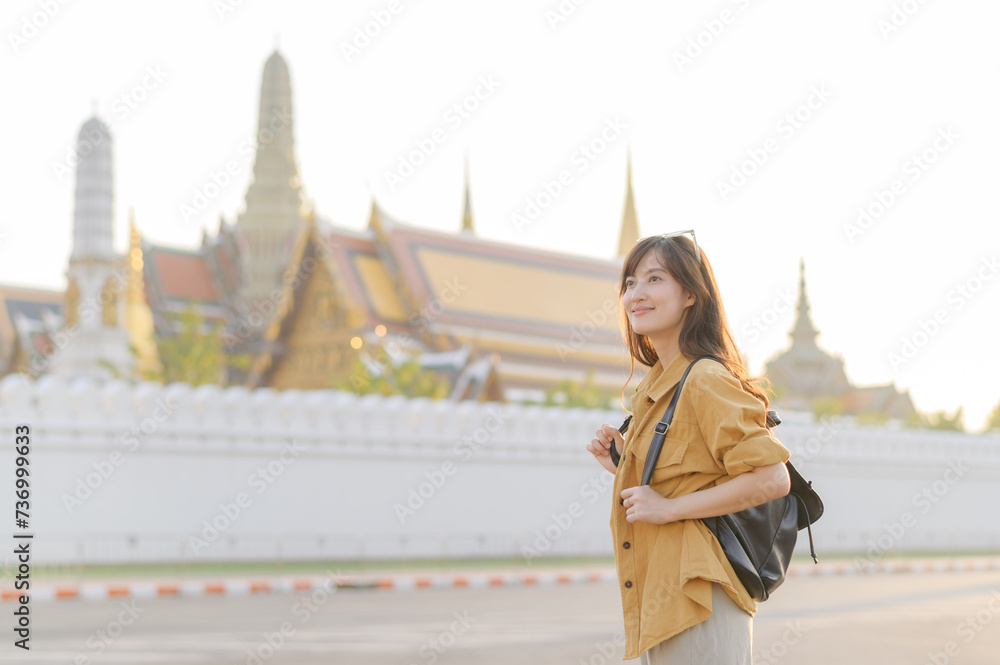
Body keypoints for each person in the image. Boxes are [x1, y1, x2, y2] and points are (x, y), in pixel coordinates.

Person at [586, 230, 792, 664]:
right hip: (662, 600)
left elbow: (773, 478)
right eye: (629, 283)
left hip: (699, 599)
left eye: (655, 279)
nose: (636, 294)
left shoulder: (705, 378)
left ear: (691, 296)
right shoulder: (657, 386)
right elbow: (686, 478)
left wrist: (668, 508)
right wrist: (623, 464)